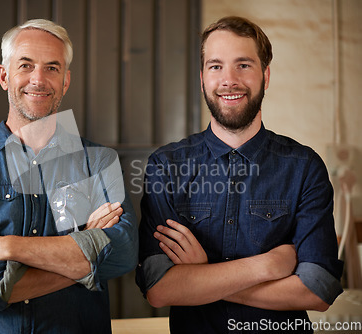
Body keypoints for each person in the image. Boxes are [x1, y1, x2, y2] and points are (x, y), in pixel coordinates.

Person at [136, 16, 343, 333]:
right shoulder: (166, 166)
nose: (228, 79)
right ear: (202, 78)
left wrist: (203, 274)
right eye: (216, 66)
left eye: (243, 65)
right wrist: (268, 266)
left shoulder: (304, 166)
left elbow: (317, 289)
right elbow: (159, 288)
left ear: (266, 75)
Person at [0, 19, 138, 333]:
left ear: (66, 81)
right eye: (26, 65)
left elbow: (123, 252)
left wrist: (12, 247)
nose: (39, 79)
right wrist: (83, 260)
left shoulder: (97, 163)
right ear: (4, 76)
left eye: (52, 68)